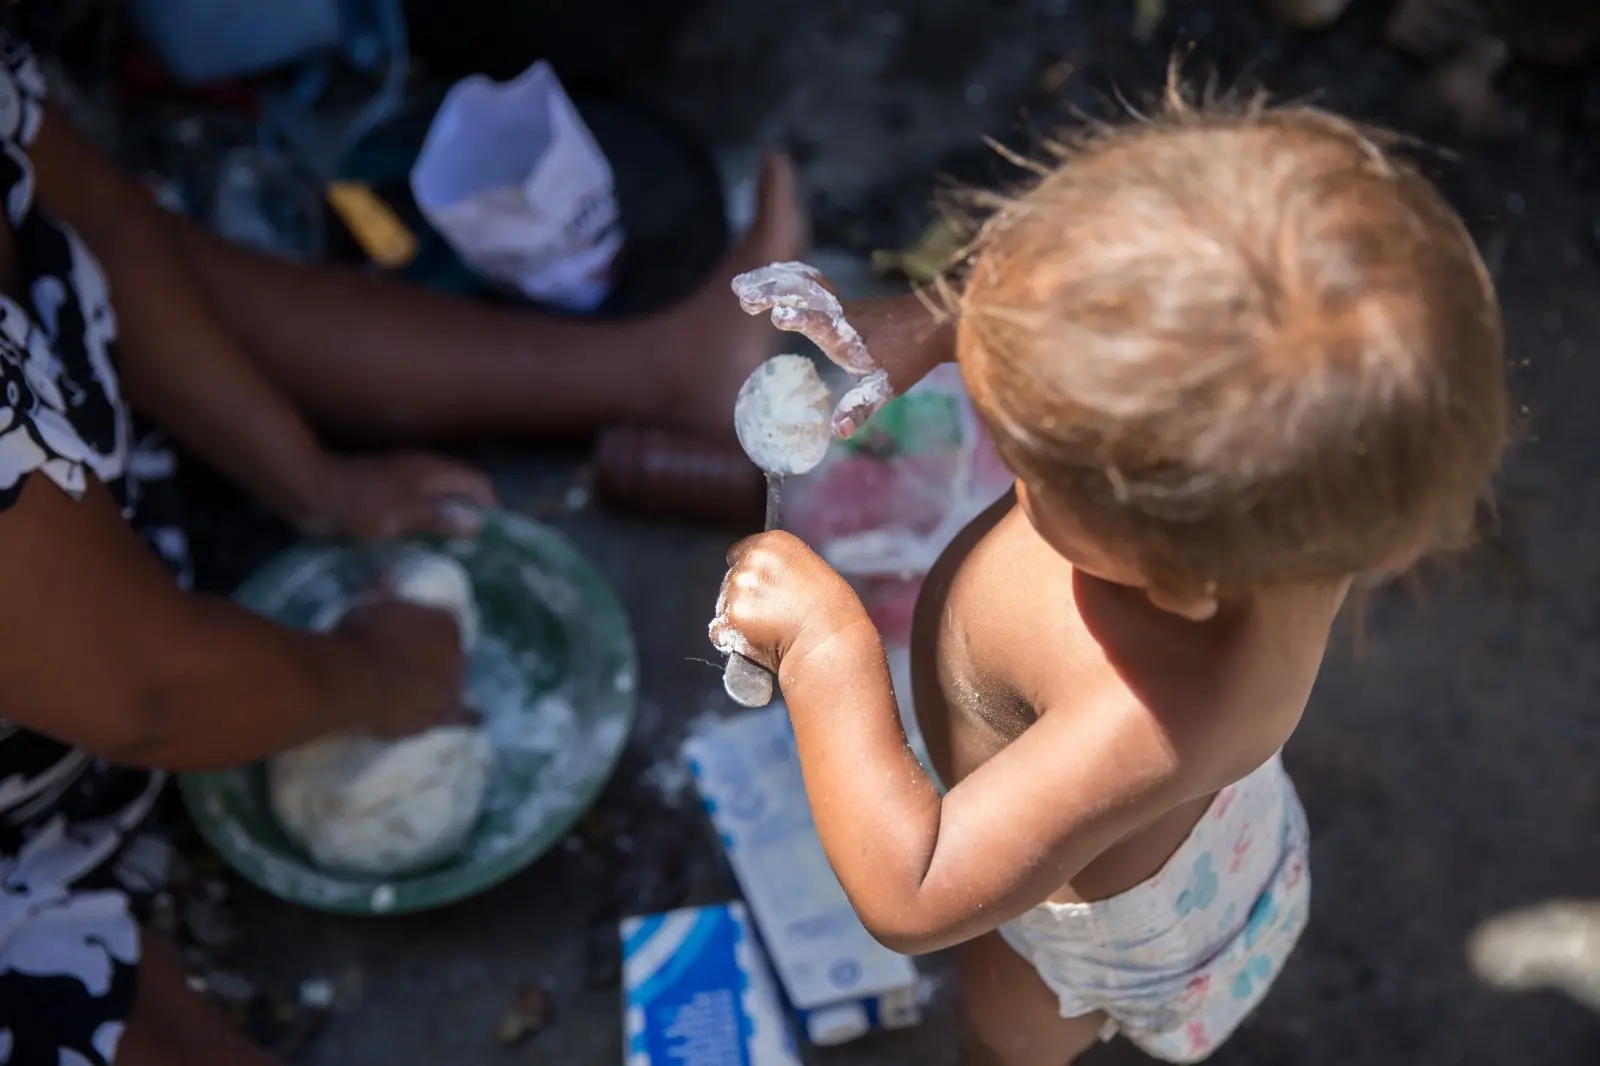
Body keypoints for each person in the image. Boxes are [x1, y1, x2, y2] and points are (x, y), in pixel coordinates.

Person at [0, 12, 807, 1064]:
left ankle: (671, 368)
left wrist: (312, 480)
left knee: (156, 258)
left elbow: (101, 221)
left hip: (73, 539)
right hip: (55, 761)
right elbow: (147, 694)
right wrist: (386, 675)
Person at [714, 89, 1508, 1063]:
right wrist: (937, 320)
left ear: (1172, 580)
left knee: (1005, 1029)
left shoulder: (1154, 710)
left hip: (1088, 923)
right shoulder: (1301, 490)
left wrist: (826, 647)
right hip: (1120, 808)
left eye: (1026, 451)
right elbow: (1089, 295)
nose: (996, 408)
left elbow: (916, 890)